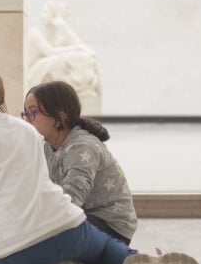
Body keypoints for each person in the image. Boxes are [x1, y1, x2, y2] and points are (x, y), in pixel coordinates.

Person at [0, 61, 201, 264]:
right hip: (71, 228)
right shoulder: (26, 129)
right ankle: (135, 260)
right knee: (102, 247)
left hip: (24, 250)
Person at [24, 81, 137, 244]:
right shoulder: (47, 147)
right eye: (25, 113)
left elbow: (72, 200)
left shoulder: (82, 147)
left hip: (111, 228)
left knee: (36, 235)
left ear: (60, 117)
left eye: (33, 113)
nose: (28, 119)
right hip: (79, 217)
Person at [26, 1, 101, 99]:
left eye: (45, 12)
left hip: (49, 66)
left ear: (55, 15)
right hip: (35, 70)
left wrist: (64, 27)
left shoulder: (59, 33)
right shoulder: (35, 32)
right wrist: (78, 48)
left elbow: (79, 46)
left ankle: (84, 86)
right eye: (43, 12)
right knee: (58, 60)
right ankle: (76, 85)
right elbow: (50, 52)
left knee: (83, 58)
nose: (41, 16)